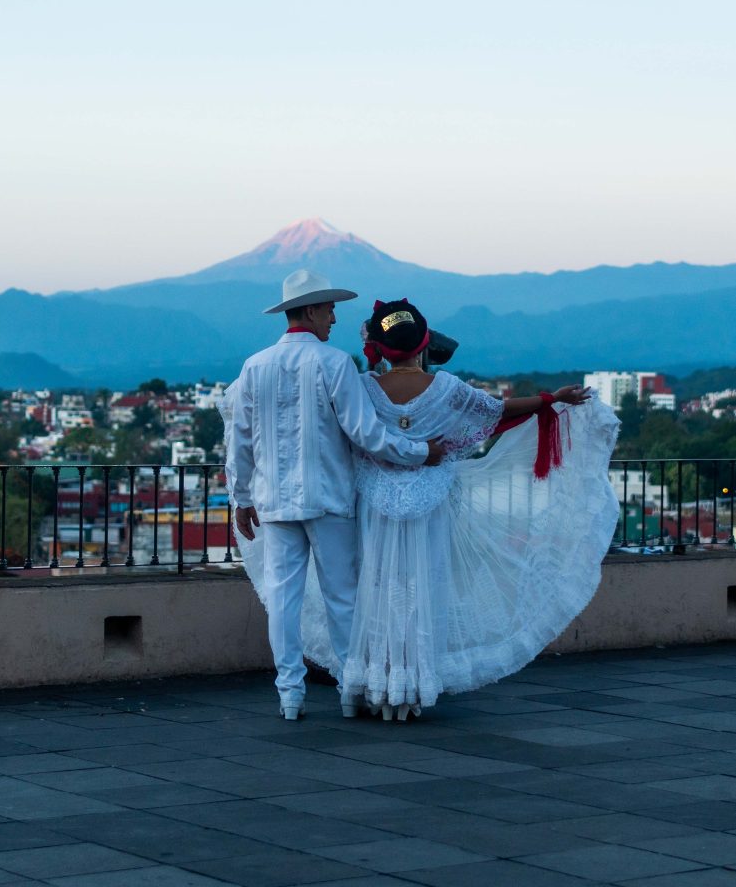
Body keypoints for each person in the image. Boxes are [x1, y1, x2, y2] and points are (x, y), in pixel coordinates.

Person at [295, 298, 620, 720]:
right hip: (431, 503)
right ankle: (412, 685)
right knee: (423, 589)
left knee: (375, 587)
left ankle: (376, 680)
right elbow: (497, 413)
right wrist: (549, 399)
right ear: (423, 344)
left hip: (376, 503)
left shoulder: (363, 387)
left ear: (377, 346)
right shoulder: (446, 388)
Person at [218, 272, 443, 720]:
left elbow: (238, 441)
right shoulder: (335, 363)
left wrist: (240, 497)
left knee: (283, 599)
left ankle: (289, 694)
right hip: (329, 498)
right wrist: (419, 452)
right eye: (329, 309)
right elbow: (365, 433)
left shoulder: (254, 366)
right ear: (312, 310)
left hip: (275, 501)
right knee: (343, 596)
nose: (334, 318)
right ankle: (348, 687)